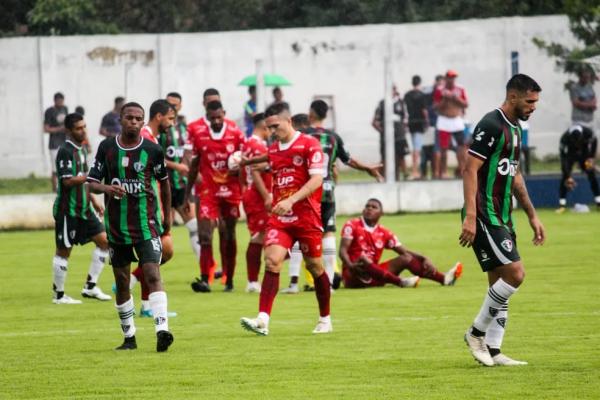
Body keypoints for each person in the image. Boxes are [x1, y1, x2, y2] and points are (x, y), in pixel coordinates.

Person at [460, 74, 545, 367]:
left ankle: (494, 350)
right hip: (485, 213)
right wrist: (471, 217)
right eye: (530, 101)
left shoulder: (516, 129)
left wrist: (532, 215)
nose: (534, 106)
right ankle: (475, 333)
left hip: (503, 215)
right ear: (513, 97)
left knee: (499, 281)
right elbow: (469, 170)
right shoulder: (491, 124)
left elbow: (515, 175)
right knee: (515, 274)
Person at [87, 101, 173, 352]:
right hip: (117, 227)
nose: (134, 122)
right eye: (129, 118)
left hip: (146, 225)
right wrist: (107, 188)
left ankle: (162, 330)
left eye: (138, 119)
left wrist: (167, 217)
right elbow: (91, 183)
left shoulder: (153, 149)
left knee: (152, 274)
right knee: (122, 281)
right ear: (121, 120)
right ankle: (129, 337)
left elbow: (164, 183)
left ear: (144, 122)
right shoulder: (107, 148)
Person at [240, 103, 332, 335]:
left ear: (288, 120)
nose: (272, 131)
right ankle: (263, 319)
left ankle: (325, 319)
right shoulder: (274, 148)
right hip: (281, 218)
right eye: (268, 128)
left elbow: (316, 181)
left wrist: (291, 200)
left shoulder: (310, 145)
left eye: (275, 126)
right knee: (271, 260)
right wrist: (243, 162)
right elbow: (268, 159)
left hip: (307, 217)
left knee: (315, 266)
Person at [282, 100, 383, 294]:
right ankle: (328, 284)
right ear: (325, 115)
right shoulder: (334, 137)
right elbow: (348, 160)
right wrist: (367, 168)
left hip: (306, 193)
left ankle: (293, 284)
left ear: (310, 114)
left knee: (296, 235)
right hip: (327, 192)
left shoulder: (303, 137)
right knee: (328, 234)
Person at [51, 113, 111, 304]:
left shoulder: (83, 149)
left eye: (84, 126)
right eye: (78, 128)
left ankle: (90, 286)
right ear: (68, 131)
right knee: (64, 251)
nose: (83, 130)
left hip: (85, 209)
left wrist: (93, 198)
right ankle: (59, 295)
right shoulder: (65, 151)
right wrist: (90, 177)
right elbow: (68, 181)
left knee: (105, 243)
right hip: (68, 211)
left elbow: (81, 180)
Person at [186, 100, 245, 292]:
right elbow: (194, 165)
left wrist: (239, 169)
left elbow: (246, 160)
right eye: (213, 118)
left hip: (231, 192)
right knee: (204, 235)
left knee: (228, 234)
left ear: (224, 113)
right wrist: (188, 193)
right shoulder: (200, 135)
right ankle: (205, 279)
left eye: (220, 116)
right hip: (208, 192)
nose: (217, 120)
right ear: (207, 117)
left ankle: (229, 279)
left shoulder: (235, 133)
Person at [340, 199, 462, 289]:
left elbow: (404, 251)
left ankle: (444, 279)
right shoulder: (352, 225)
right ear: (363, 210)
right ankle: (400, 282)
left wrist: (424, 258)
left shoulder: (384, 232)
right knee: (362, 258)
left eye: (374, 207)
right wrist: (350, 266)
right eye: (367, 206)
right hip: (353, 275)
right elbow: (342, 251)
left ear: (381, 213)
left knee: (406, 258)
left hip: (376, 275)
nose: (369, 208)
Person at [126, 99, 176, 317]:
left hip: (152, 206)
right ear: (159, 117)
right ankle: (133, 287)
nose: (172, 123)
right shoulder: (145, 137)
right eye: (171, 118)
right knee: (162, 251)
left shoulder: (152, 137)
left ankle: (143, 298)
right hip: (145, 207)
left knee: (157, 255)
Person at [165, 92, 200, 258]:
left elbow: (191, 152)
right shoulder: (159, 130)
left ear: (180, 106)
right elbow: (152, 157)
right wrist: (175, 165)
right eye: (169, 104)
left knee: (194, 226)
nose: (172, 107)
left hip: (182, 185)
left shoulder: (185, 128)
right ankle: (143, 275)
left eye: (175, 104)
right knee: (162, 233)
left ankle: (205, 270)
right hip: (163, 186)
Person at [241, 113, 272, 293]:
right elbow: (255, 172)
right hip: (258, 197)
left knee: (263, 235)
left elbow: (242, 170)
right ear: (264, 128)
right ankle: (252, 281)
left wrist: (243, 187)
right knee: (260, 236)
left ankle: (254, 280)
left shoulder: (247, 144)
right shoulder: (256, 145)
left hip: (253, 195)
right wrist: (266, 195)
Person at [433, 70, 468, 178]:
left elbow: (465, 104)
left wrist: (454, 97)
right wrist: (444, 99)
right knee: (444, 148)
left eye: (453, 77)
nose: (452, 79)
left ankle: (463, 169)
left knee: (462, 146)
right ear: (446, 78)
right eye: (450, 77)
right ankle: (443, 172)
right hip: (444, 120)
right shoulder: (440, 90)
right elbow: (435, 107)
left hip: (456, 120)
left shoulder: (460, 89)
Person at [557, 125, 600, 211]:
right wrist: (568, 175)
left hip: (584, 154)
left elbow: (595, 140)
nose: (577, 143)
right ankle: (562, 205)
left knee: (591, 174)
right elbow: (563, 157)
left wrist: (591, 157)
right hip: (570, 154)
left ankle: (598, 202)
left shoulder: (588, 132)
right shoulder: (565, 138)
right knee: (565, 178)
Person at [372, 85, 408, 180]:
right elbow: (374, 122)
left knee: (401, 156)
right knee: (385, 157)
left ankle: (405, 175)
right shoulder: (382, 103)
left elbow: (405, 119)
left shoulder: (401, 103)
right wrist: (383, 132)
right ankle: (381, 176)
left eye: (394, 89)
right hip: (386, 137)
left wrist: (402, 130)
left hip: (399, 136)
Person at [404, 75, 429, 179]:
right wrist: (427, 121)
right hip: (419, 123)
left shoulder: (407, 95)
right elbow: (424, 111)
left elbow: (405, 109)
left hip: (411, 122)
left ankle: (416, 170)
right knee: (417, 149)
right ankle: (415, 171)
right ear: (420, 82)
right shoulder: (422, 95)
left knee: (415, 147)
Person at [44, 92, 68, 192]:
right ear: (55, 101)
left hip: (64, 142)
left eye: (62, 101)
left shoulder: (65, 109)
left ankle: (63, 187)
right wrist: (60, 129)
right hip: (54, 144)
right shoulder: (49, 111)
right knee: (55, 167)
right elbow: (46, 129)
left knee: (65, 165)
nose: (61, 103)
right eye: (59, 101)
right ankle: (54, 189)